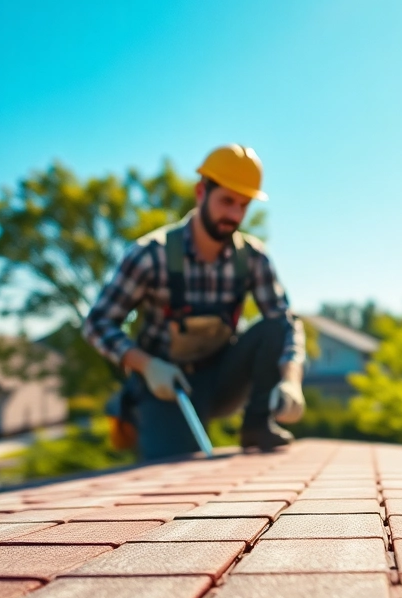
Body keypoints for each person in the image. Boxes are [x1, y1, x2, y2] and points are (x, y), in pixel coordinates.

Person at [83, 143, 306, 458]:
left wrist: (291, 380)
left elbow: (285, 323)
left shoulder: (253, 258)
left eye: (243, 206)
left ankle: (256, 426)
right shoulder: (151, 254)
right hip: (168, 387)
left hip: (221, 379)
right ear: (201, 192)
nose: (234, 214)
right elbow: (97, 323)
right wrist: (146, 366)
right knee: (172, 470)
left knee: (274, 326)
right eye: (226, 201)